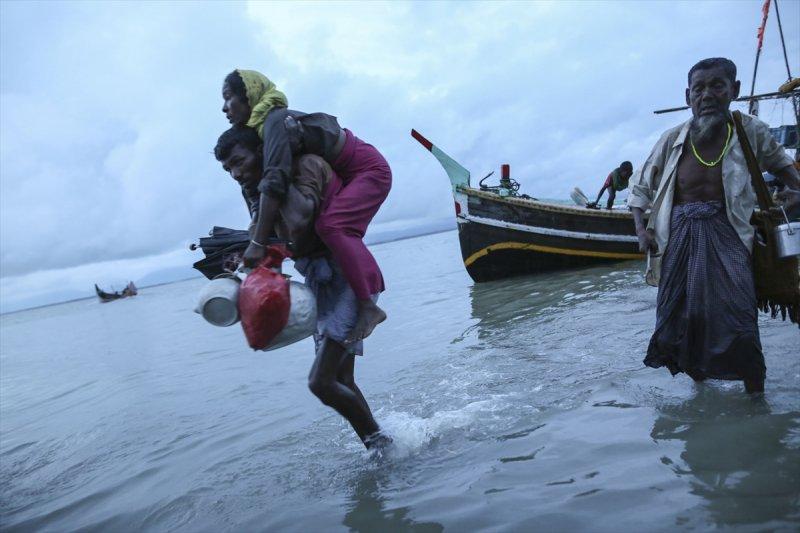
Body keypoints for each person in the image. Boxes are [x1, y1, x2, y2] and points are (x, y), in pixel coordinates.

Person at [628, 57, 800, 394]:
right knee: (685, 317)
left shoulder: (751, 131)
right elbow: (640, 190)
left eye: (717, 86)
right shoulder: (672, 138)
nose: (707, 95)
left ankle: (755, 399)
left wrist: (795, 195)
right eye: (699, 88)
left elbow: (788, 173)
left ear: (733, 91)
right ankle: (700, 389)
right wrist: (641, 230)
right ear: (687, 96)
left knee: (740, 318)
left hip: (731, 233)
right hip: (679, 236)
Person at [214, 125, 392, 450]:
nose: (236, 174)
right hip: (320, 284)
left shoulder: (306, 165)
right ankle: (380, 448)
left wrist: (268, 198)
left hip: (349, 279)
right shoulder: (257, 196)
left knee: (320, 383)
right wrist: (246, 258)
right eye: (228, 169)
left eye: (240, 162)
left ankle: (382, 445)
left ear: (263, 154)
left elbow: (298, 220)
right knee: (341, 379)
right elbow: (278, 247)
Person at [221, 69, 391, 344]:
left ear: (249, 94)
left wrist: (258, 242)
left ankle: (368, 305)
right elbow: (259, 187)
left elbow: (275, 178)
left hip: (368, 170)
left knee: (333, 226)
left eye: (229, 98)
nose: (224, 107)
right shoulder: (261, 132)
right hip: (347, 175)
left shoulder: (276, 119)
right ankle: (361, 296)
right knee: (330, 227)